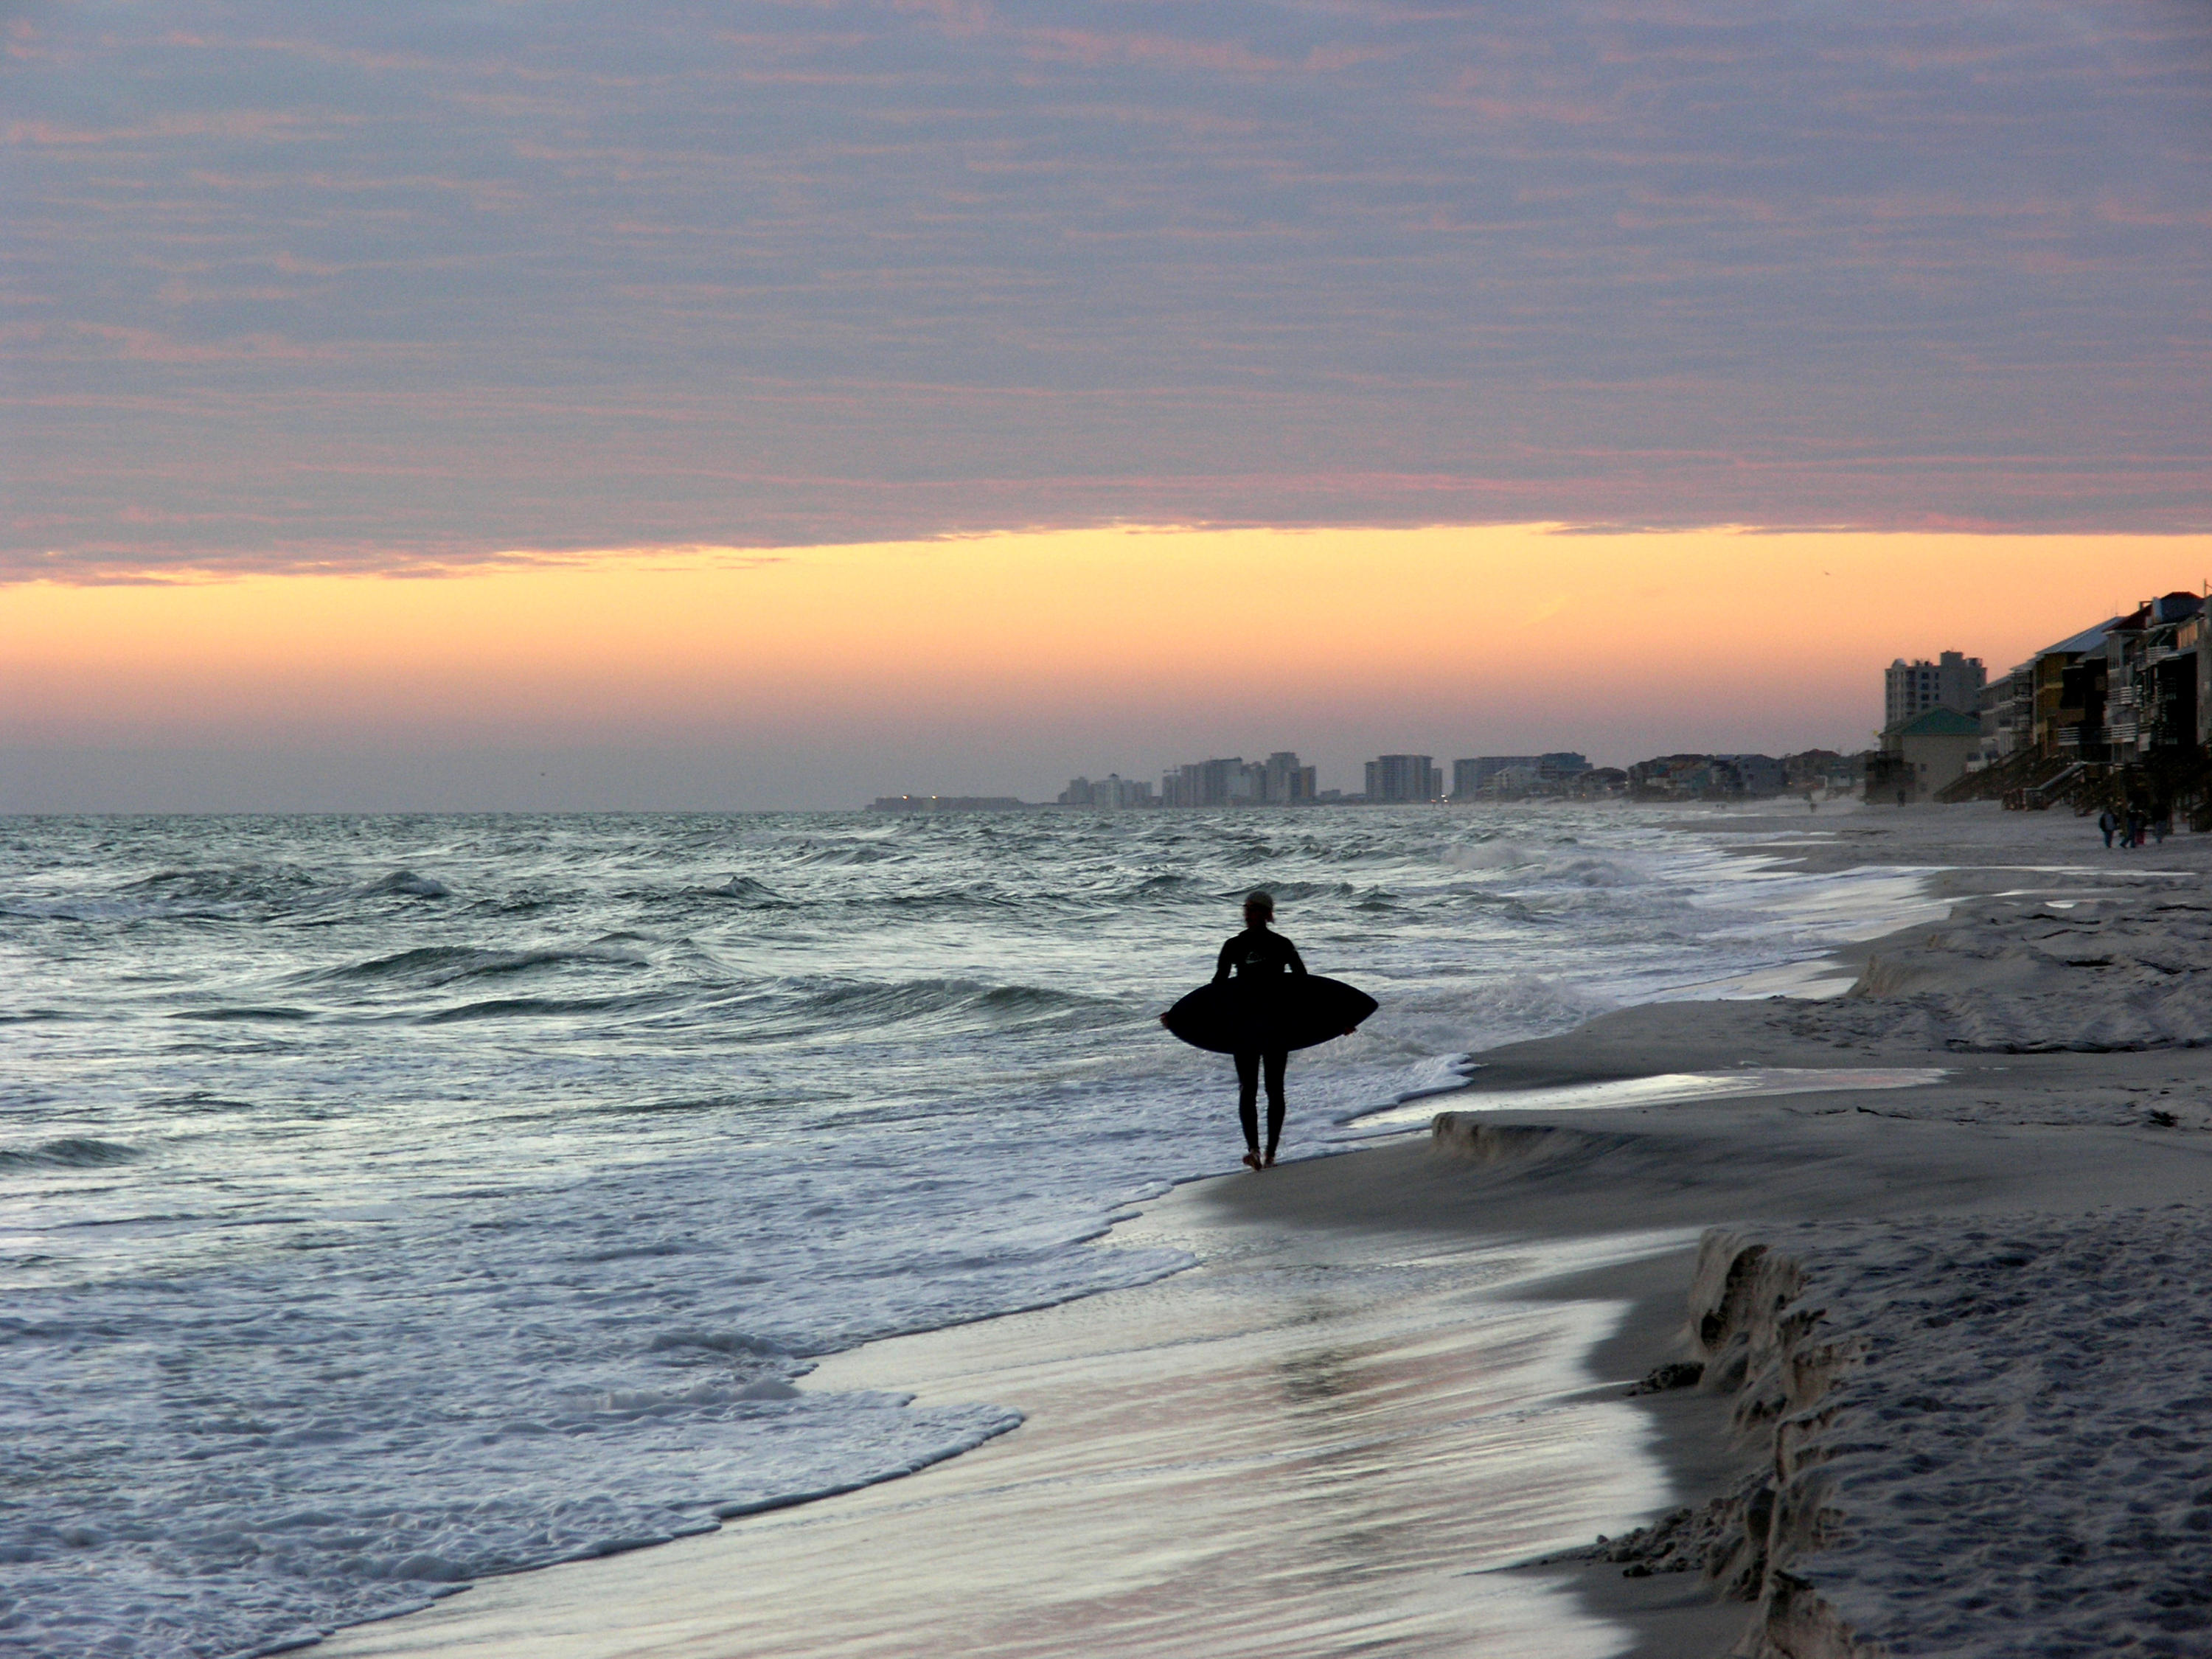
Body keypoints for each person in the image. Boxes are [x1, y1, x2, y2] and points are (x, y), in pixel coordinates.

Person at [1216, 890, 1305, 1171]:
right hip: (1244, 1027)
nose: (1247, 913)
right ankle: (1253, 1150)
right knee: (1247, 1089)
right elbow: (1217, 987)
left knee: (1274, 1089)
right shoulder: (1233, 945)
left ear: (1267, 914)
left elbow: (1305, 985)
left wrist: (1337, 1021)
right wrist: (1182, 1017)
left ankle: (1271, 1153)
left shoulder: (1282, 945)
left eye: (1253, 909)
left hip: (1276, 1025)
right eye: (1246, 908)